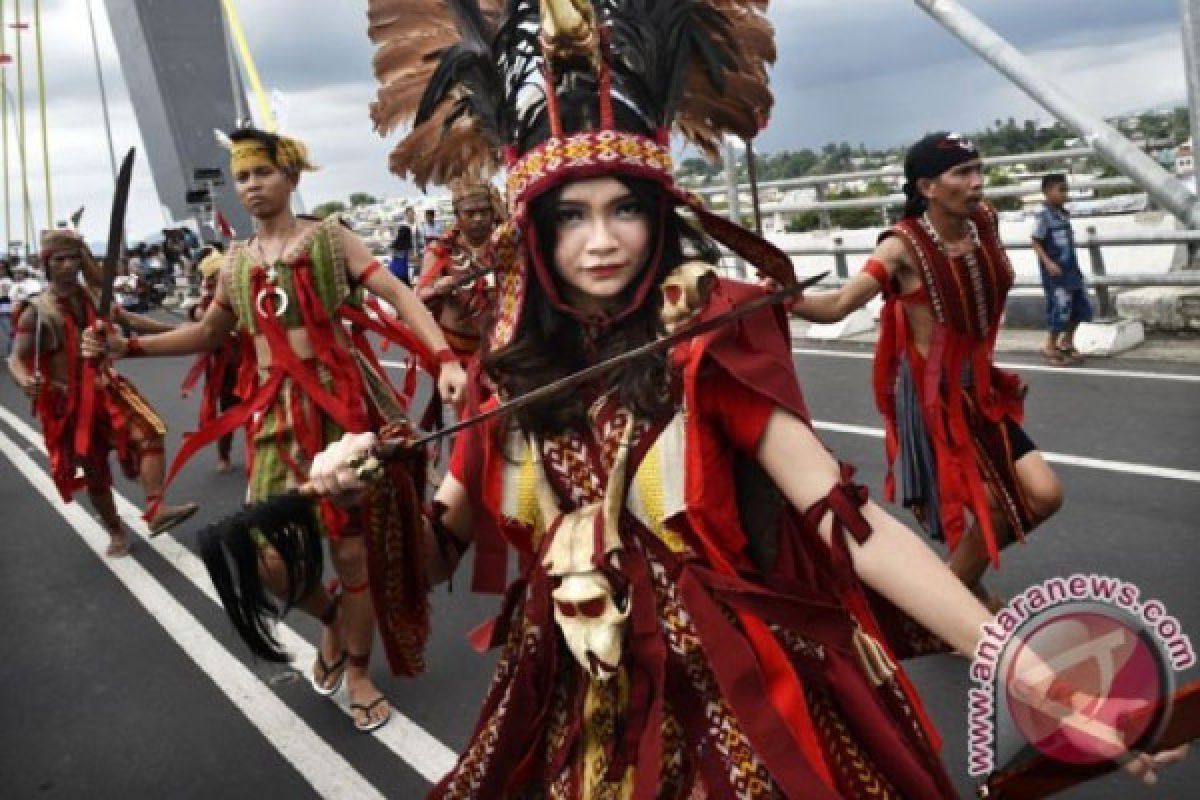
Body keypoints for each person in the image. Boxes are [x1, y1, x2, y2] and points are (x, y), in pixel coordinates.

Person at [323, 6, 1192, 796]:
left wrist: (1024, 672)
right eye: (569, 216)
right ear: (533, 230)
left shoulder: (711, 335)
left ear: (661, 214)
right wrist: (365, 502)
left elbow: (845, 520)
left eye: (625, 208)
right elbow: (438, 556)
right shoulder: (505, 375)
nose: (600, 241)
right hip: (571, 700)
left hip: (738, 694)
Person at [83, 127, 468, 733]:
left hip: (342, 412)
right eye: (243, 177)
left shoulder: (329, 238)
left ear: (290, 177)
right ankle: (334, 619)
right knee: (267, 558)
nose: (252, 185)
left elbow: (396, 291)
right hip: (272, 417)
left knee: (350, 547)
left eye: (263, 173)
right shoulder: (235, 262)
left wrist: (444, 358)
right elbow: (209, 335)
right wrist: (128, 345)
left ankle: (362, 670)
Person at [791, 132, 1064, 607]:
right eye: (962, 173)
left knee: (1044, 495)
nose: (977, 183)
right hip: (936, 401)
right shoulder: (901, 247)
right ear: (927, 187)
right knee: (1000, 506)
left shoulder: (986, 221)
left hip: (982, 393)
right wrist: (784, 297)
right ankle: (955, 605)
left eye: (978, 169)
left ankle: (952, 592)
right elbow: (837, 305)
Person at [7, 230, 198, 556]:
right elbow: (15, 358)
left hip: (107, 388)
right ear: (47, 264)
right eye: (59, 259)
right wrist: (25, 381)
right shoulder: (36, 312)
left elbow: (128, 318)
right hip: (69, 404)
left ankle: (155, 510)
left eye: (73, 259)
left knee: (151, 434)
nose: (68, 266)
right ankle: (115, 531)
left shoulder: (95, 297)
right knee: (95, 472)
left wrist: (181, 331)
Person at [414, 177, 502, 367]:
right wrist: (438, 288)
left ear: (492, 213)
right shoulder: (440, 250)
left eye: (483, 212)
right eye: (470, 213)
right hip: (457, 357)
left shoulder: (506, 245)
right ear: (457, 215)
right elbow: (419, 296)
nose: (478, 218)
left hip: (501, 353)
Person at [181, 246, 243, 473]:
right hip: (225, 367)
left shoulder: (242, 289)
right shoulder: (207, 303)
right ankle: (223, 455)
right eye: (216, 275)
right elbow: (203, 321)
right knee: (228, 412)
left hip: (252, 360)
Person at [1032, 173, 1093, 366]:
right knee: (1060, 310)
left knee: (1082, 308)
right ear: (1047, 192)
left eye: (1066, 189)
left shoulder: (1063, 214)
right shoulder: (1044, 216)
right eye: (1061, 189)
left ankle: (1067, 341)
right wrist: (1048, 263)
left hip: (1071, 271)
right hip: (1056, 275)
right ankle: (1050, 346)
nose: (1065, 194)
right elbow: (1035, 240)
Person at [387, 208, 416, 285]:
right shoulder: (407, 246)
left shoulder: (394, 246)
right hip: (402, 272)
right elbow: (411, 258)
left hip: (393, 271)